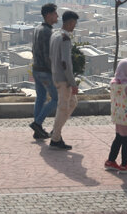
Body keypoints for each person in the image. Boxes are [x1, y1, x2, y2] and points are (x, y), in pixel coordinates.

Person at [49, 10, 79, 150]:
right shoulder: (65, 38)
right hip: (63, 79)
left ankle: (56, 129)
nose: (74, 26)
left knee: (72, 102)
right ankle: (55, 138)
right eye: (74, 23)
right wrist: (72, 83)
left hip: (55, 75)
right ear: (70, 22)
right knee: (63, 107)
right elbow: (66, 63)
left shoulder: (54, 35)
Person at [104, 58, 127, 173]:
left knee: (118, 138)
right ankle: (124, 165)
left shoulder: (113, 83)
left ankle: (111, 161)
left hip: (118, 116)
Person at [29, 3, 59, 140]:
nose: (57, 16)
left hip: (36, 69)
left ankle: (38, 131)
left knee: (40, 98)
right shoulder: (48, 32)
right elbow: (49, 55)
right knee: (56, 99)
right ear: (48, 15)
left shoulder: (37, 28)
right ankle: (37, 123)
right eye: (55, 13)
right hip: (45, 71)